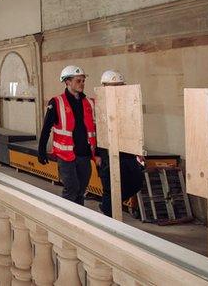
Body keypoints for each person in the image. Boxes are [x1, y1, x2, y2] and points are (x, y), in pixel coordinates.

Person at [37, 65, 97, 205]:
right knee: (71, 189)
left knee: (81, 190)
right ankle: (65, 218)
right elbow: (46, 128)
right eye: (78, 81)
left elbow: (94, 128)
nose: (82, 84)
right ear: (67, 82)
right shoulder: (57, 102)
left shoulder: (89, 103)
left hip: (84, 154)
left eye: (83, 81)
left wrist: (97, 153)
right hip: (65, 155)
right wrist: (41, 150)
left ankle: (78, 219)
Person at [96, 70, 147, 217]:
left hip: (126, 150)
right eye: (114, 86)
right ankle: (108, 213)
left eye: (120, 86)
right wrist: (96, 155)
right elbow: (94, 131)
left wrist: (138, 150)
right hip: (106, 151)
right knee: (110, 185)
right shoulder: (98, 104)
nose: (118, 89)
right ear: (105, 87)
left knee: (136, 181)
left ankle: (109, 207)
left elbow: (133, 127)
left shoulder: (127, 104)